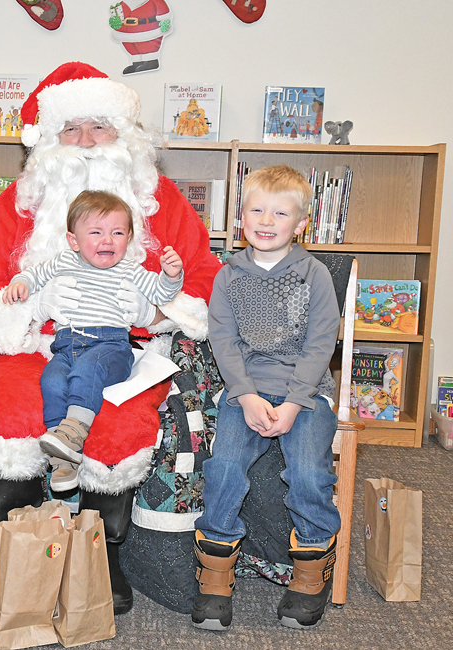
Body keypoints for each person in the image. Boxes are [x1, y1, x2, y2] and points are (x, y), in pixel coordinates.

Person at [0, 62, 221, 623]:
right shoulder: (16, 204)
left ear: (126, 136)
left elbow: (203, 276)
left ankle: (100, 558)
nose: (87, 143)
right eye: (71, 130)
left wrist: (159, 313)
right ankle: (15, 554)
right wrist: (11, 313)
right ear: (48, 141)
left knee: (119, 426)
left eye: (100, 127)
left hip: (125, 346)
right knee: (8, 412)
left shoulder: (161, 200)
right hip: (32, 343)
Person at [191, 165, 341, 631]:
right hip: (246, 391)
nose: (267, 220)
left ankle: (310, 575)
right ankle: (214, 576)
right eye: (257, 209)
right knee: (224, 467)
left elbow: (321, 345)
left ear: (300, 225)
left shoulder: (313, 275)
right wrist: (248, 397)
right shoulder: (228, 275)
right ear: (242, 218)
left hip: (307, 392)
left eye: (280, 213)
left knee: (310, 472)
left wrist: (295, 403)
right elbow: (224, 341)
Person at [3, 190, 184, 491]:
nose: (107, 240)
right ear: (74, 240)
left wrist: (171, 275)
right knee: (52, 380)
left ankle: (73, 431)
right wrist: (20, 283)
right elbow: (34, 274)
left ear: (128, 239)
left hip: (110, 345)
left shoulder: (130, 270)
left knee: (88, 371)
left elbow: (161, 294)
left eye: (117, 232)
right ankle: (64, 462)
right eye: (96, 232)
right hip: (66, 345)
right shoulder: (64, 261)